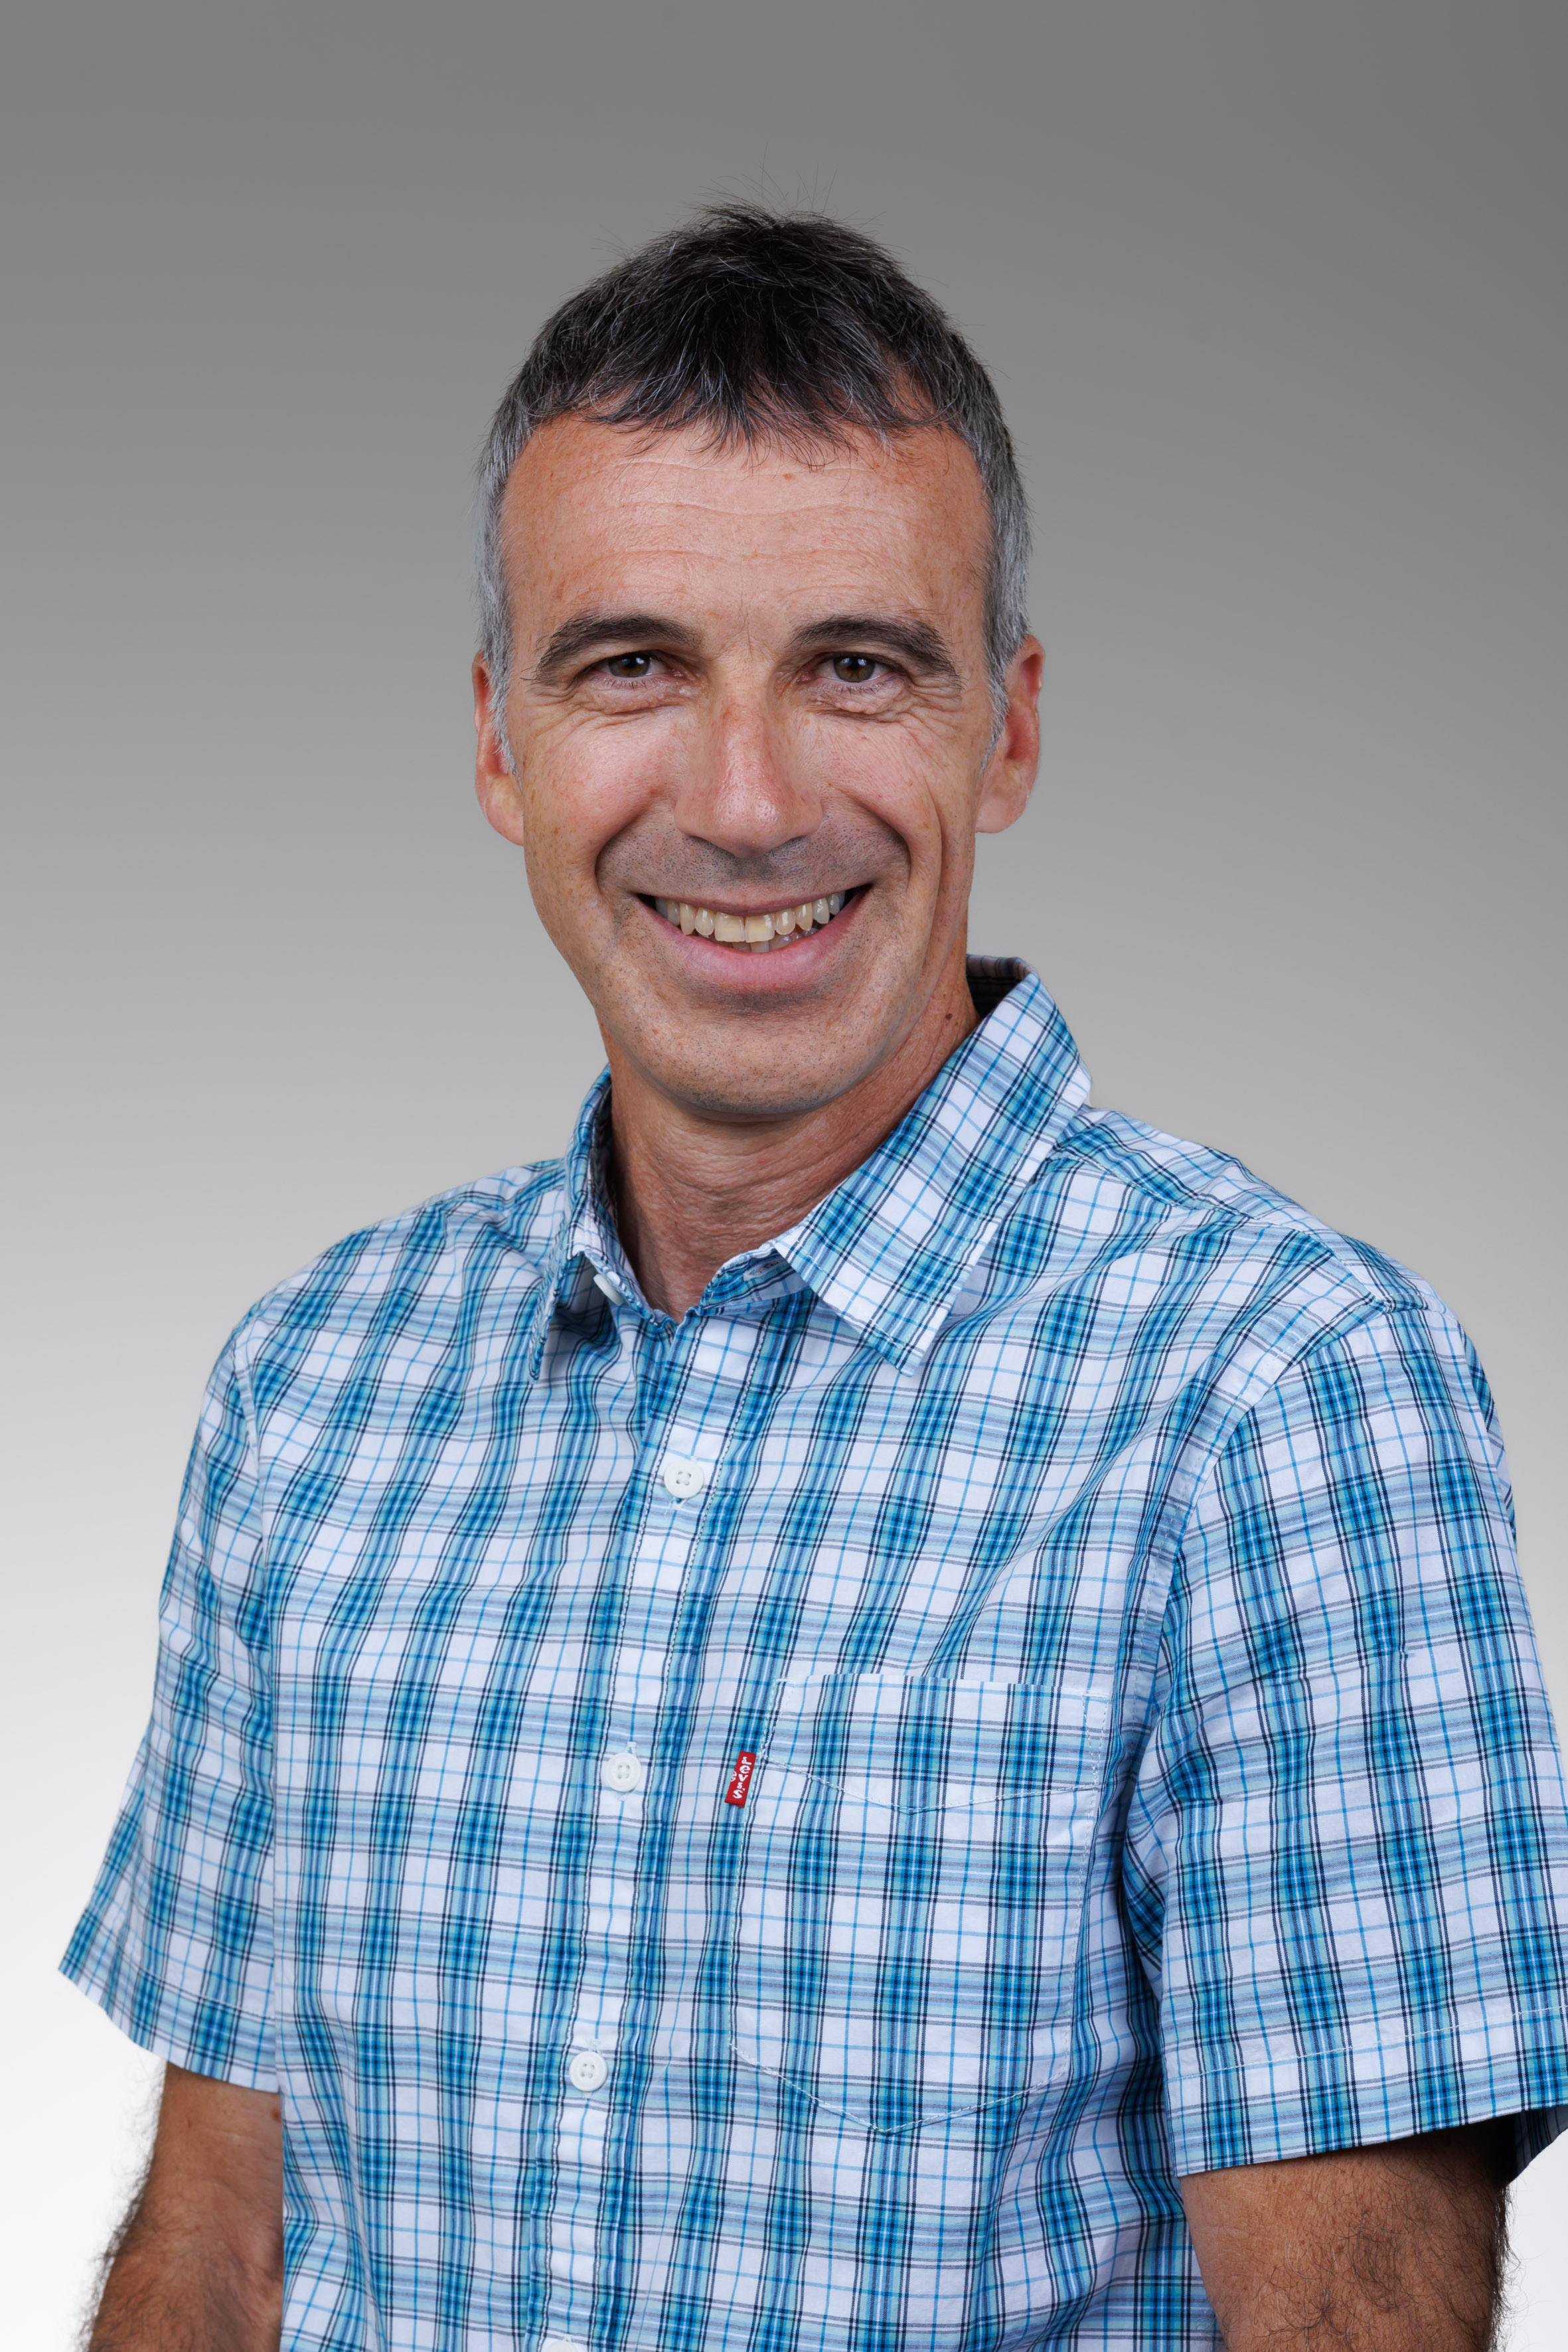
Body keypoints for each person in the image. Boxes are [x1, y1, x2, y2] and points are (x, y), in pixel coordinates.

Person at [67, 205, 1568, 2352]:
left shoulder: (1281, 1397)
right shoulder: (316, 1384)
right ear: (499, 742)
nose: (747, 800)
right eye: (631, 667)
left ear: (1007, 730)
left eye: (856, 666)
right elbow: (220, 2246)